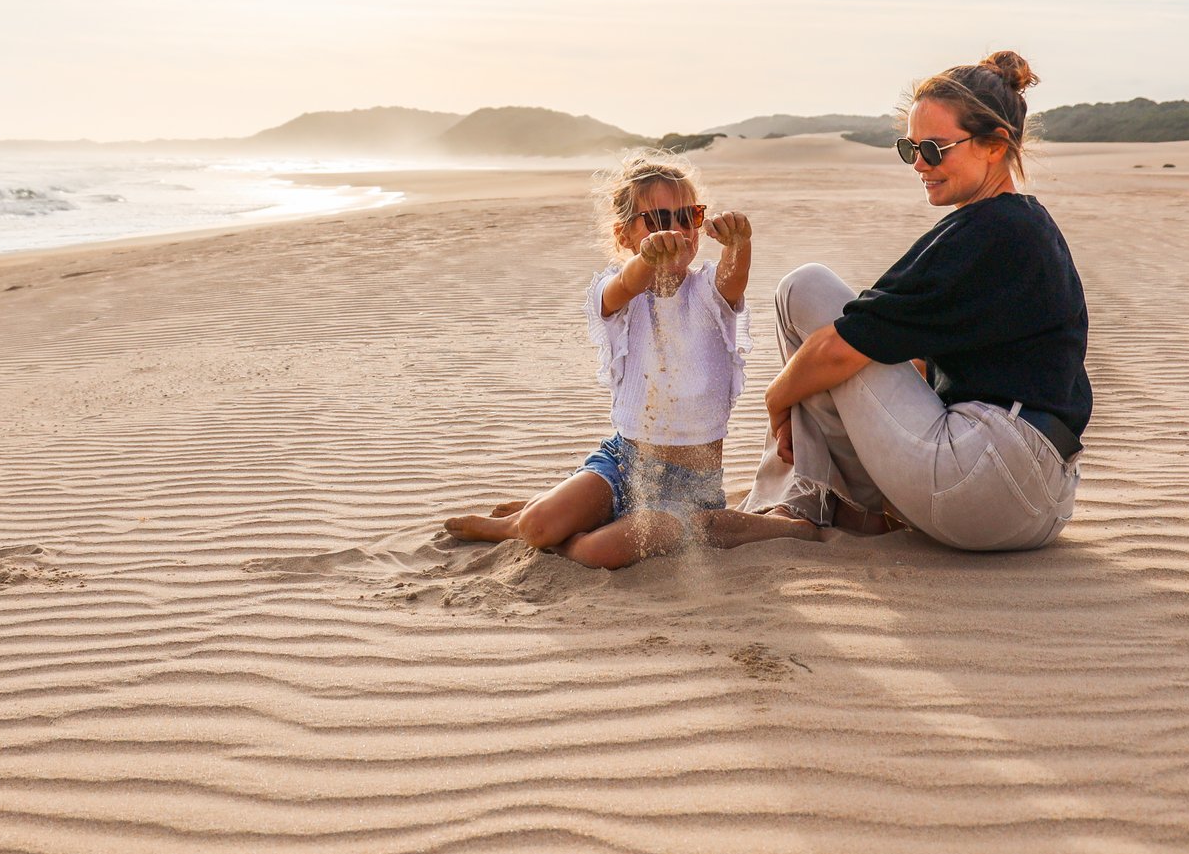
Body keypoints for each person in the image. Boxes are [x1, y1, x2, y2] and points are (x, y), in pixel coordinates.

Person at [743, 50, 1090, 551]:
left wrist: (776, 400)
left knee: (804, 288)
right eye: (910, 149)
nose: (920, 164)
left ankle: (802, 505)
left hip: (986, 478)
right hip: (1046, 501)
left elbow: (841, 349)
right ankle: (849, 508)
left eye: (934, 148)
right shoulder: (1027, 227)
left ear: (995, 146)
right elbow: (912, 361)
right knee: (852, 346)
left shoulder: (988, 231)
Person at [446, 157, 819, 568]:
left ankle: (582, 525)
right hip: (623, 463)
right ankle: (522, 521)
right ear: (624, 235)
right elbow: (625, 283)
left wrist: (738, 243)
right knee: (537, 527)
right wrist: (648, 259)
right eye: (658, 219)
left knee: (597, 551)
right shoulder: (617, 294)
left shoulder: (708, 293)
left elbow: (734, 279)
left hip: (687, 487)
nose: (675, 230)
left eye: (688, 216)